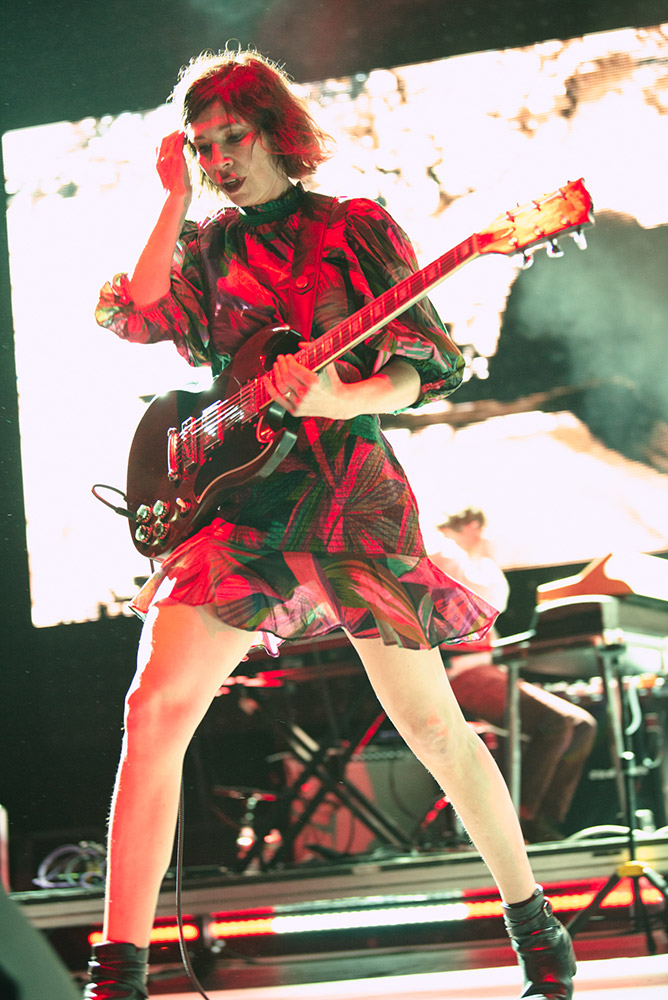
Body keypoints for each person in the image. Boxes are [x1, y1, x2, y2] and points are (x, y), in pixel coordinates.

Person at [86, 48, 575, 1000]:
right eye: (202, 143)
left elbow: (428, 361)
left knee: (433, 723)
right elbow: (139, 311)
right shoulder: (208, 242)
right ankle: (119, 976)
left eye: (232, 136)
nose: (219, 156)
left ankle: (539, 935)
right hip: (239, 502)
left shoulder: (351, 229)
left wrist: (343, 400)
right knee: (153, 711)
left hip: (348, 491)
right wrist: (171, 198)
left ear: (273, 129)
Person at [431, 508, 597, 843]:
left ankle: (542, 820)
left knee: (580, 726)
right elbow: (489, 595)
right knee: (557, 723)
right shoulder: (441, 550)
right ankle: (519, 821)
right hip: (457, 672)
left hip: (479, 667)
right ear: (474, 526)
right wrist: (483, 554)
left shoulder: (454, 554)